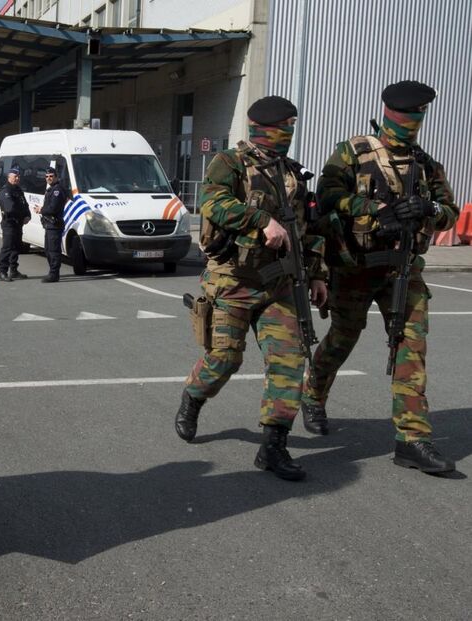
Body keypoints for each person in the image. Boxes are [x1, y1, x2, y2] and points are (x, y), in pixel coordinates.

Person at [300, 81, 458, 474]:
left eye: (418, 116)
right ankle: (313, 394)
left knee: (410, 348)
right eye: (408, 115)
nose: (412, 123)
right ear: (390, 114)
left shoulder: (425, 165)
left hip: (402, 270)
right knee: (342, 338)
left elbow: (450, 212)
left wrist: (427, 209)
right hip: (354, 267)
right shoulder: (353, 152)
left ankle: (412, 439)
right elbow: (327, 197)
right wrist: (375, 210)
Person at [174, 96, 328, 481]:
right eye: (285, 126)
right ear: (266, 128)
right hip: (233, 282)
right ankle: (193, 396)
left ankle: (273, 446)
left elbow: (307, 231)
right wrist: (260, 220)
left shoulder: (292, 174)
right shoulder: (229, 163)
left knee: (289, 362)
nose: (289, 133)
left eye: (293, 126)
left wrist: (317, 274)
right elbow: (213, 204)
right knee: (225, 359)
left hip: (279, 285)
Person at [0, 167, 31, 281]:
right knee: (7, 248)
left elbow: (25, 204)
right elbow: (10, 208)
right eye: (15, 176)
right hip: (9, 223)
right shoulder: (5, 191)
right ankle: (2, 272)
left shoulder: (18, 190)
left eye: (18, 176)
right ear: (9, 177)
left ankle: (14, 270)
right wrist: (22, 215)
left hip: (18, 223)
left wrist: (28, 215)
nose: (17, 178)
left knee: (16, 247)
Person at [35, 166, 68, 283]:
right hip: (49, 224)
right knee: (48, 250)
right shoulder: (51, 189)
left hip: (54, 225)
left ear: (56, 177)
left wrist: (41, 210)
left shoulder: (57, 190)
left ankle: (54, 274)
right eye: (46, 176)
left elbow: (53, 208)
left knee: (53, 251)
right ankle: (52, 272)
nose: (48, 178)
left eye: (51, 176)